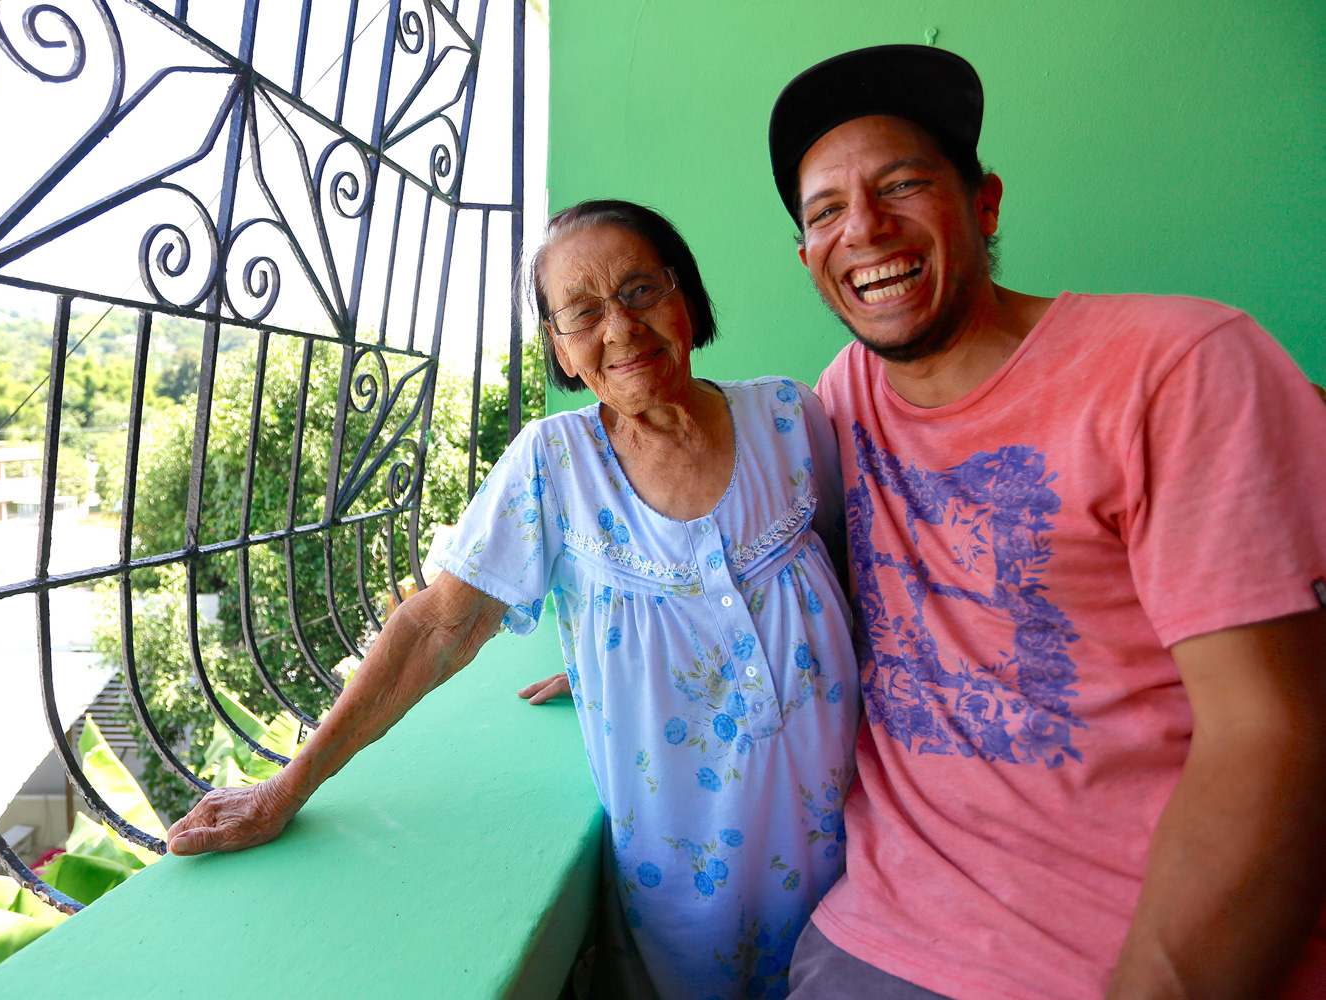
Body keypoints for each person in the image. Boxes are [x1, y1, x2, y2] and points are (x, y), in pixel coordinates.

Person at [166, 200, 862, 1000]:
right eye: (583, 313)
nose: (621, 328)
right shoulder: (553, 464)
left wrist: (678, 639)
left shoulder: (789, 417)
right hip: (690, 874)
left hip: (854, 837)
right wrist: (286, 788)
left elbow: (844, 585)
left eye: (641, 290)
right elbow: (435, 628)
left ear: (686, 297)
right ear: (562, 350)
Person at [760, 44, 1326, 1000]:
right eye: (826, 212)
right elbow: (787, 571)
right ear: (810, 256)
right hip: (880, 933)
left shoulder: (1177, 366)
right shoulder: (841, 401)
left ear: (983, 205)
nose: (864, 227)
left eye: (902, 183)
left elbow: (1272, 731)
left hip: (1132, 947)